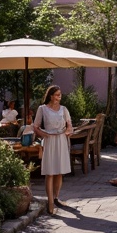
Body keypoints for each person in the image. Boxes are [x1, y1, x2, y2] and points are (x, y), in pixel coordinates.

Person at [32, 84, 73, 214]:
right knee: (50, 172)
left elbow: (69, 125)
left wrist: (68, 131)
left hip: (60, 140)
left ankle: (56, 197)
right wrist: (44, 134)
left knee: (59, 171)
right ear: (50, 96)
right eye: (56, 95)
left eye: (60, 95)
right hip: (49, 141)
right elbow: (36, 126)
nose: (59, 97)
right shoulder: (42, 109)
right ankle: (49, 201)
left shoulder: (64, 109)